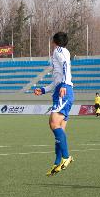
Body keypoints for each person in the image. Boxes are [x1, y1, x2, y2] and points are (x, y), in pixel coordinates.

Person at [34, 32, 74, 176]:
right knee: (59, 128)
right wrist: (43, 90)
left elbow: (65, 67)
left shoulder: (58, 51)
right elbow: (57, 80)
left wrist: (63, 85)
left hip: (63, 91)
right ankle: (57, 162)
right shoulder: (63, 52)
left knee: (53, 123)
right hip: (62, 90)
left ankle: (66, 156)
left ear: (54, 41)